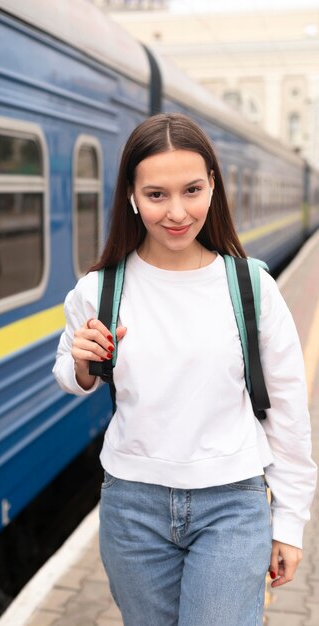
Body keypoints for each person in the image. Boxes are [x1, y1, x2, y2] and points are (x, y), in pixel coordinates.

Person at [53, 113, 317, 626]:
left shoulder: (251, 287)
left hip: (233, 505)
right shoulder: (99, 290)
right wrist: (84, 364)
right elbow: (71, 372)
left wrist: (289, 522)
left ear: (213, 185)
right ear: (130, 193)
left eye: (192, 190)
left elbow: (288, 412)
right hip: (132, 507)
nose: (177, 212)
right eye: (156, 195)